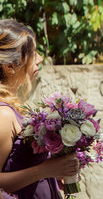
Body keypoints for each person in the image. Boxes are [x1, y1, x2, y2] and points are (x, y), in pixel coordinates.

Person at [0, 19, 79, 199]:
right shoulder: (3, 115)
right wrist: (45, 170)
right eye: (32, 53)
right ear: (10, 66)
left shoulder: (13, 107)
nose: (40, 59)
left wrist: (53, 173)